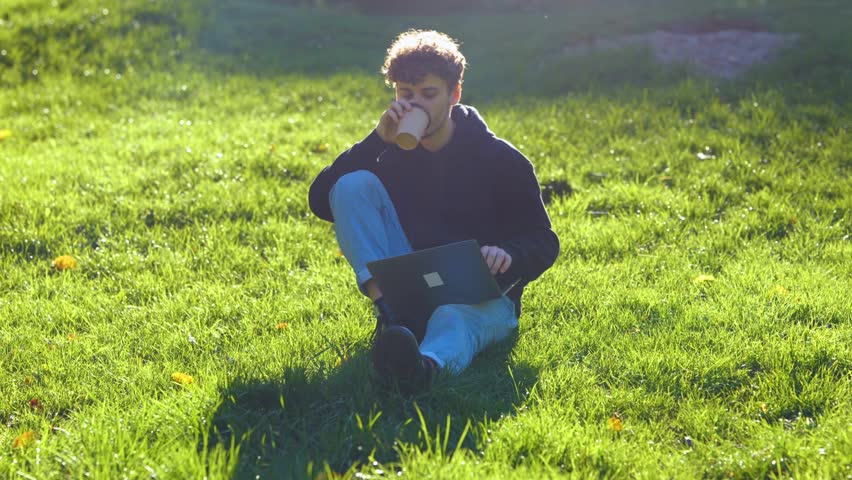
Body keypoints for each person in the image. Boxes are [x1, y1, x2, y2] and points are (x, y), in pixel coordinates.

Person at [308, 30, 559, 394]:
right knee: (351, 184)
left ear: (454, 94)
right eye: (405, 95)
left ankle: (423, 370)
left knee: (451, 317)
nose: (416, 106)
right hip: (411, 289)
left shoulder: (502, 159)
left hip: (485, 301)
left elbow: (544, 241)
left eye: (429, 94)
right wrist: (376, 140)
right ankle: (389, 314)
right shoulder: (390, 151)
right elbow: (322, 201)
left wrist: (507, 254)